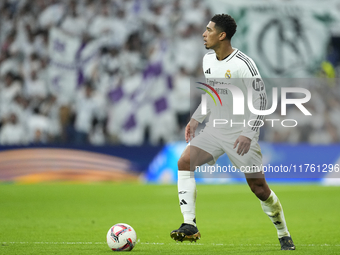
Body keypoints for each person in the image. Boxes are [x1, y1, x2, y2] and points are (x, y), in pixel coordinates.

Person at [170, 14, 295, 251]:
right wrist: (196, 119)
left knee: (259, 189)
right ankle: (189, 224)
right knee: (185, 162)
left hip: (241, 133)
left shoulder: (243, 65)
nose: (204, 34)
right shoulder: (208, 60)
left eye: (208, 30)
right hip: (215, 129)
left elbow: (261, 100)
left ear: (222, 35)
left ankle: (283, 232)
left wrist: (249, 133)